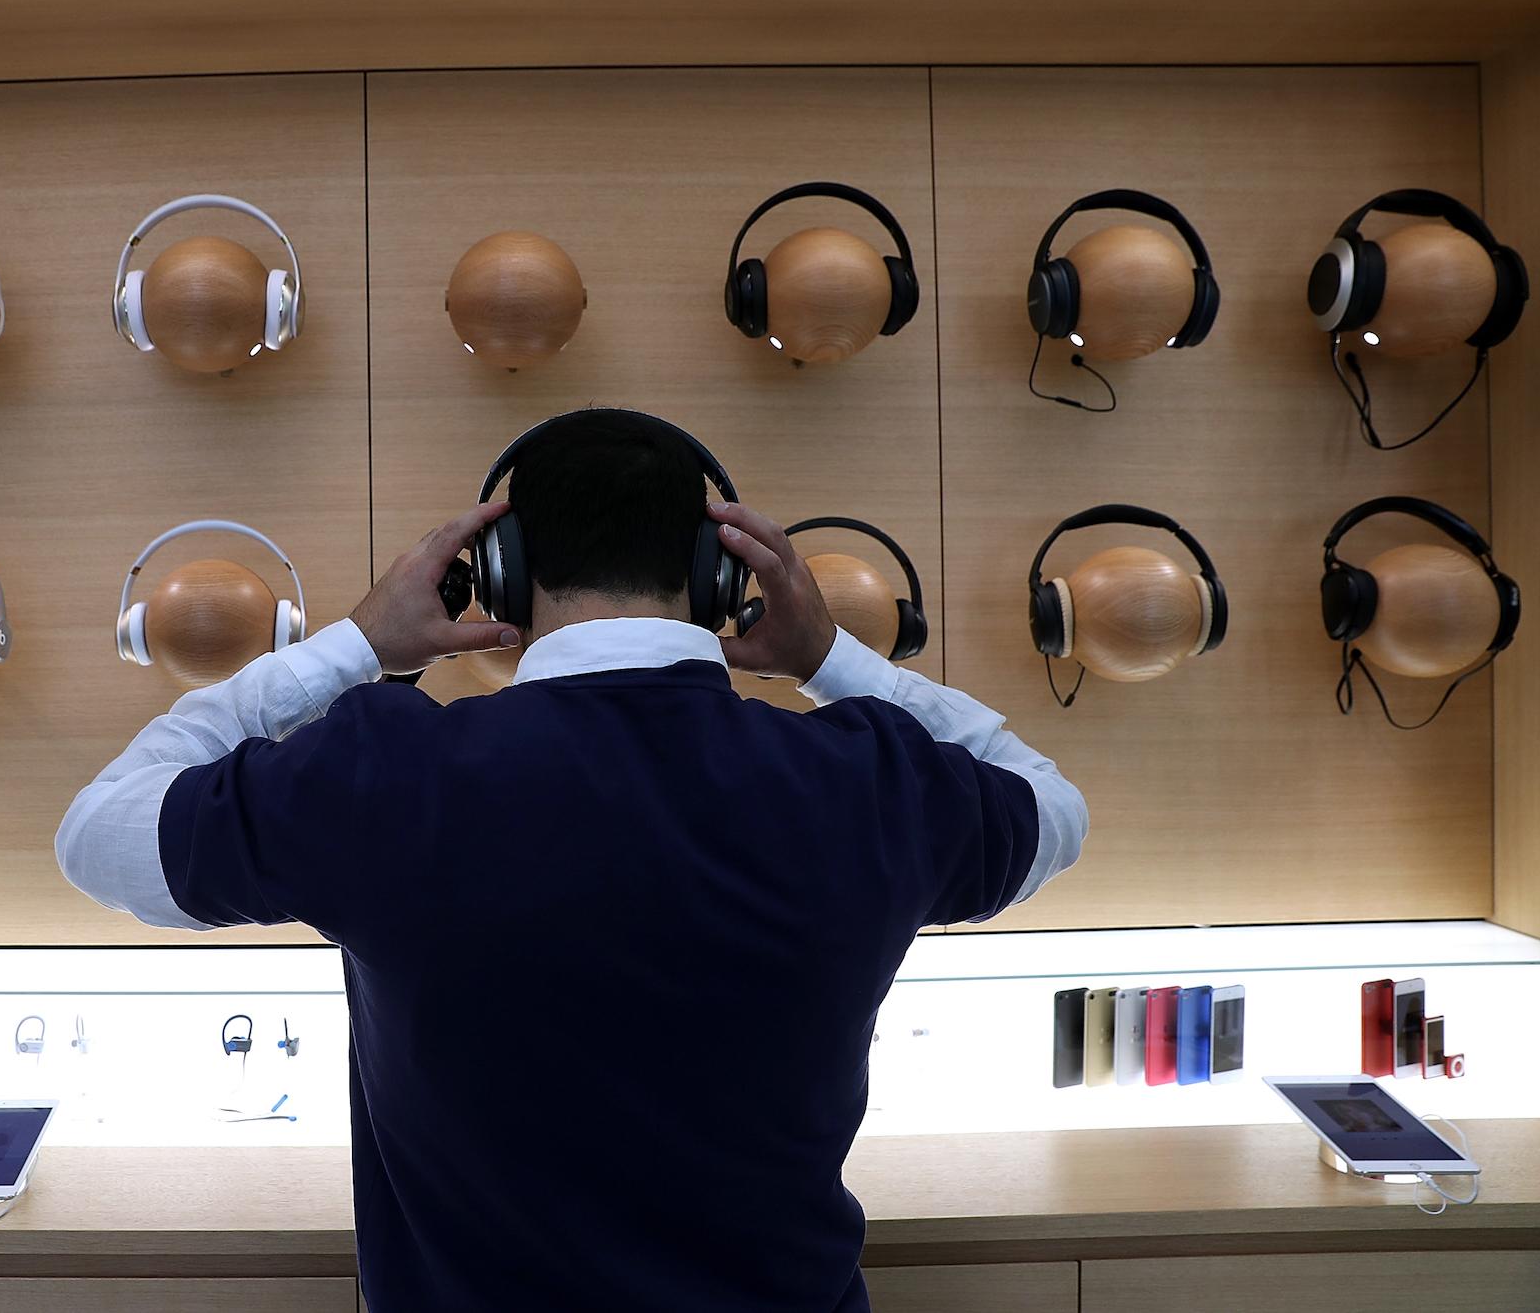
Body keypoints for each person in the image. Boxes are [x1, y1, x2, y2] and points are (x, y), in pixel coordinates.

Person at [56, 407, 1087, 1312]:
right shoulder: (869, 782)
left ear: (498, 573)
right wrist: (831, 657)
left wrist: (356, 644)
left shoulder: (385, 769)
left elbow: (98, 834)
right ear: (718, 577)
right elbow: (1052, 806)